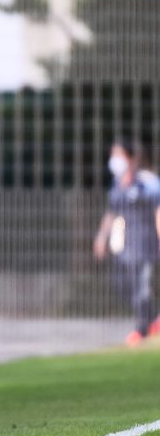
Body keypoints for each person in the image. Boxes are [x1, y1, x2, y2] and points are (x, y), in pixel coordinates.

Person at [92, 140, 160, 346]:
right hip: (124, 247)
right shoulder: (117, 184)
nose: (114, 160)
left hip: (146, 245)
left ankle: (142, 329)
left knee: (142, 287)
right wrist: (102, 237)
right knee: (122, 285)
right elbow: (112, 212)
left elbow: (158, 210)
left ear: (131, 158)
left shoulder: (147, 183)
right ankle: (154, 319)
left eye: (118, 155)